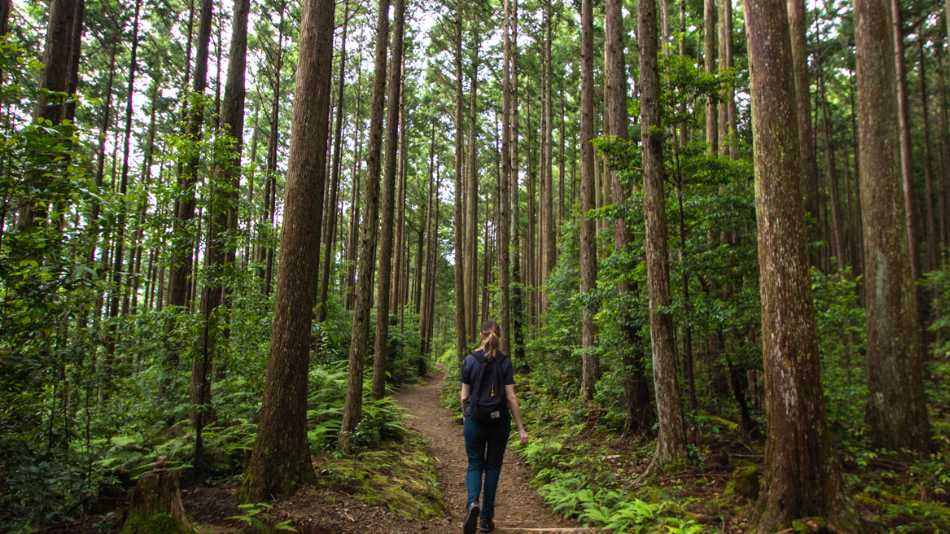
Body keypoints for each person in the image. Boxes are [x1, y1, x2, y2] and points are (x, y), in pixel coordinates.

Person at [460, 320, 528, 534]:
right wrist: (521, 428)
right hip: (499, 423)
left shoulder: (470, 360)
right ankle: (486, 520)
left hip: (475, 420)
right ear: (499, 336)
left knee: (474, 464)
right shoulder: (505, 362)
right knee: (492, 468)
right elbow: (511, 397)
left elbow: (464, 397)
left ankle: (473, 503)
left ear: (481, 335)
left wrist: (467, 416)